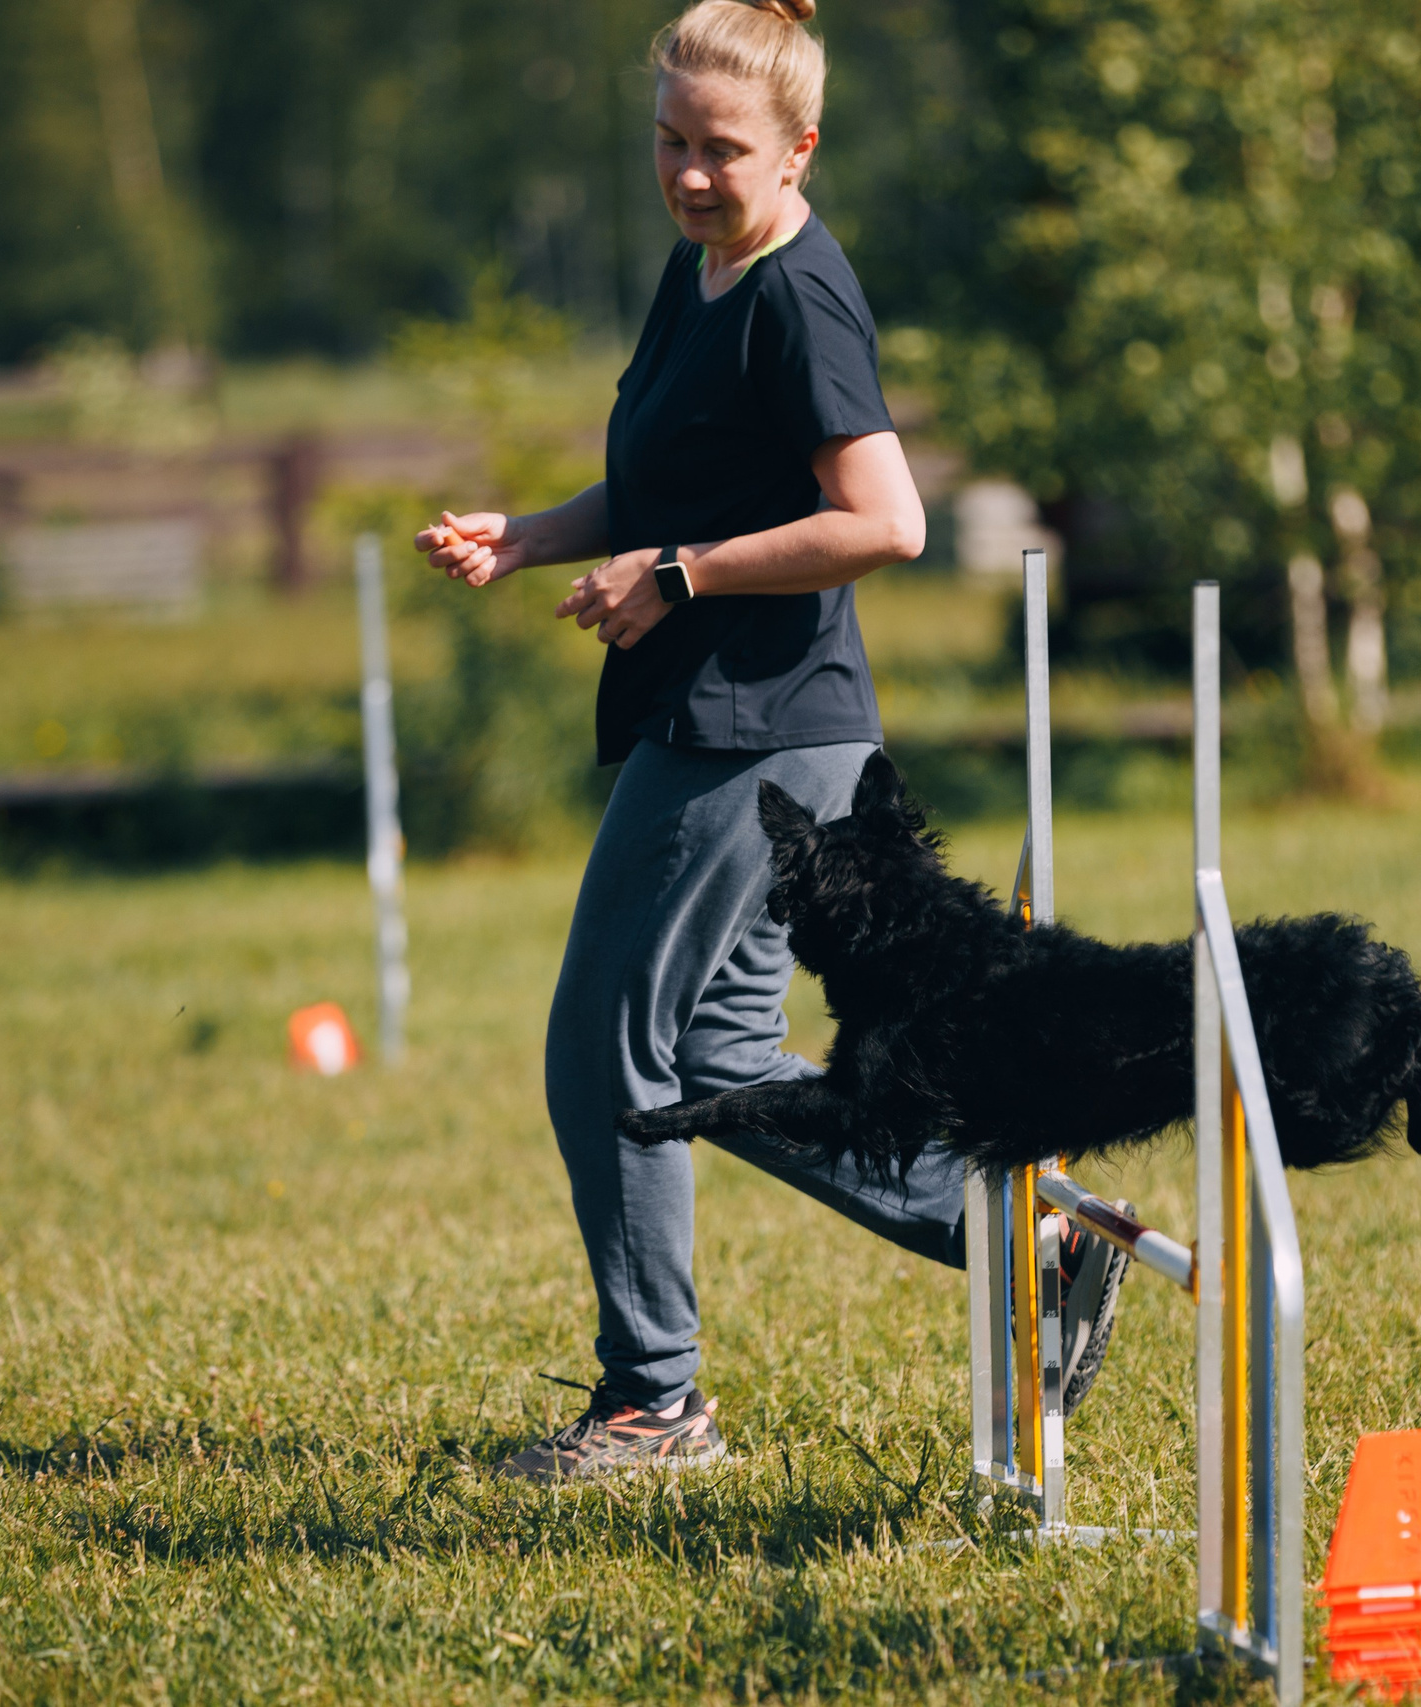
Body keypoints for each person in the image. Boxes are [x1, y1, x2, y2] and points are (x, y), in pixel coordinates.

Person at [418, 0, 1127, 1485]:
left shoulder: (799, 295)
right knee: (721, 1051)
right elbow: (669, 484)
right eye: (669, 140)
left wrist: (679, 578)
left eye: (722, 150)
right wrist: (531, 536)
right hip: (748, 721)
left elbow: (888, 521)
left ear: (799, 149)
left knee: (605, 1052)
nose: (688, 172)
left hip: (754, 731)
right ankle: (1030, 1242)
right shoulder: (705, 271)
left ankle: (652, 1403)